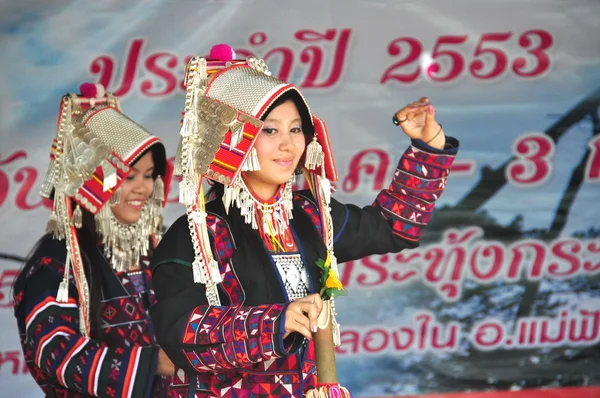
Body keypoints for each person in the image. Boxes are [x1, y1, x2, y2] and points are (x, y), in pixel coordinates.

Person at [150, 44, 459, 397]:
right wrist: (275, 323)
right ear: (231, 140)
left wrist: (428, 146)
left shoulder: (310, 215)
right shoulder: (200, 233)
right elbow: (179, 335)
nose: (288, 144)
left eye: (296, 129)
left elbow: (392, 227)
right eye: (270, 130)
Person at [13, 83, 175, 397]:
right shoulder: (56, 263)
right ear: (93, 177)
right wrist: (153, 362)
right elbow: (54, 352)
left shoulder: (153, 248)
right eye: (129, 176)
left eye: (149, 174)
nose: (143, 188)